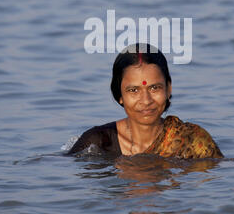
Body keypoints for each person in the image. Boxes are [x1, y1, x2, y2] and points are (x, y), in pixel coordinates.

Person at [67, 43, 223, 159]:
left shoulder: (192, 140)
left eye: (154, 88)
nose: (146, 100)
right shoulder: (97, 142)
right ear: (119, 95)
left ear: (169, 89)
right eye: (133, 90)